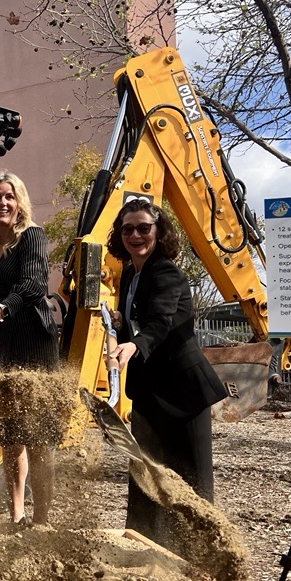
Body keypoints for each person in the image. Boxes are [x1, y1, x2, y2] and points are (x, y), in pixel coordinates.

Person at [106, 198, 227, 550]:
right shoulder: (131, 271)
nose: (136, 235)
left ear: (159, 232)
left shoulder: (166, 272)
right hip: (148, 390)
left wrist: (133, 345)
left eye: (144, 227)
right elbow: (141, 317)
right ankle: (142, 544)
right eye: (128, 229)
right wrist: (120, 325)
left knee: (192, 479)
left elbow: (160, 322)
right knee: (144, 471)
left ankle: (203, 554)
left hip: (184, 392)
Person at [0, 171, 58, 526]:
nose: (2, 203)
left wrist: (1, 308)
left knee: (38, 436)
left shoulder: (33, 236)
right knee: (10, 436)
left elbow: (34, 284)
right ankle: (16, 513)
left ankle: (42, 517)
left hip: (35, 344)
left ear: (20, 203)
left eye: (9, 196)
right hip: (3, 348)